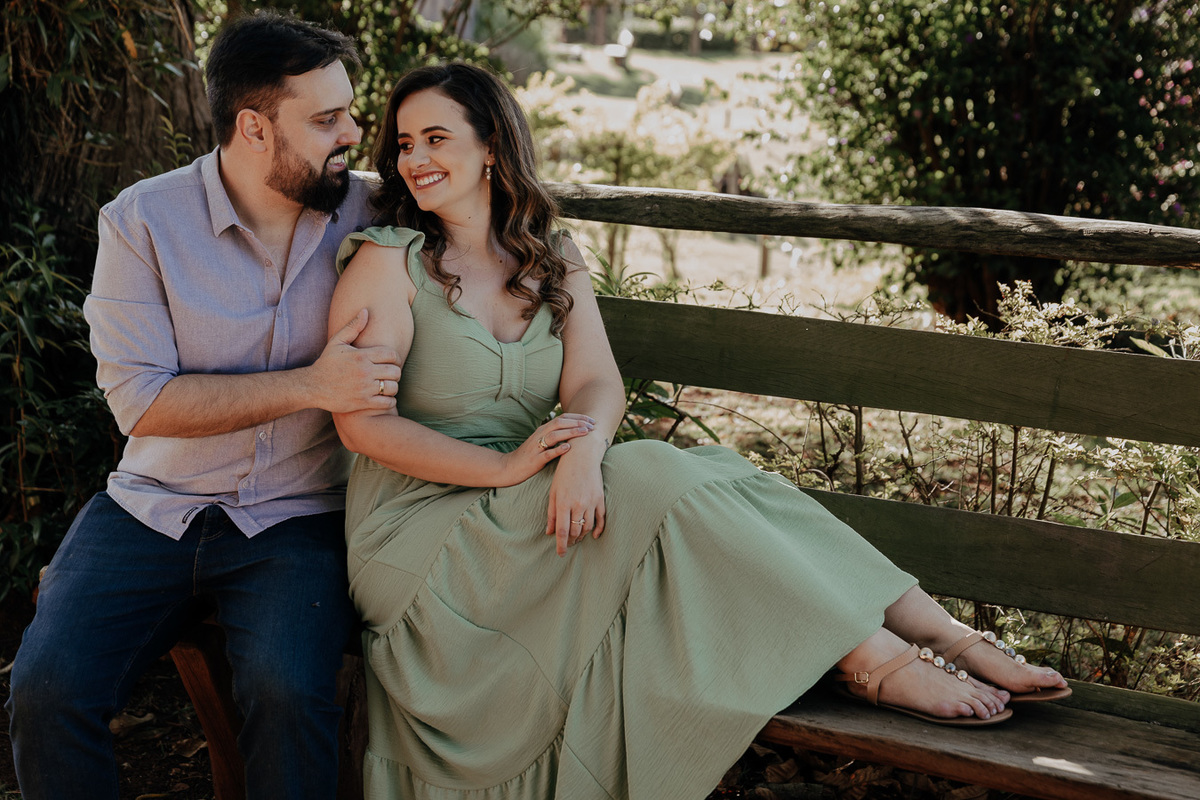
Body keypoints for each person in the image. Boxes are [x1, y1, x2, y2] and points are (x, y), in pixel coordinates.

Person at [328, 62, 1072, 800]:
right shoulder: (391, 263)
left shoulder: (548, 254)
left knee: (719, 470)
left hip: (527, 497)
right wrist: (509, 468)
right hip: (421, 534)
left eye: (435, 138)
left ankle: (941, 635)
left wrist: (583, 450)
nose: (415, 160)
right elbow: (364, 426)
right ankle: (872, 656)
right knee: (656, 472)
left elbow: (595, 382)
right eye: (402, 144)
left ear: (492, 145)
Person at [5, 11, 402, 799]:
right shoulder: (143, 221)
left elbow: (492, 224)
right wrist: (310, 385)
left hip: (297, 514)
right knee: (47, 691)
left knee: (289, 696)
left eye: (349, 112)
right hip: (153, 506)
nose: (353, 133)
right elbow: (140, 403)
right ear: (254, 128)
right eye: (326, 119)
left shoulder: (372, 213)